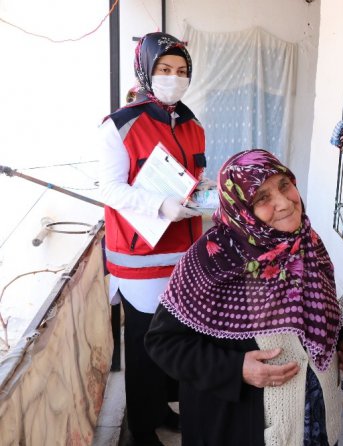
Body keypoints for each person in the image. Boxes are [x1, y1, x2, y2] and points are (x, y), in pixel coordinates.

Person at [145, 149, 343, 445]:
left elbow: (311, 315)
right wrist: (235, 370)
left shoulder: (308, 245)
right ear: (241, 208)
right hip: (242, 427)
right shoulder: (210, 258)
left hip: (315, 420)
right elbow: (163, 342)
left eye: (284, 185)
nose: (283, 203)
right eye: (261, 198)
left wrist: (342, 337)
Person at [98, 32, 206, 446]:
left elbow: (192, 177)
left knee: (172, 342)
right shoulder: (120, 125)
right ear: (146, 70)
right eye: (165, 70)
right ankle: (141, 429)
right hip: (141, 257)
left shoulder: (191, 123)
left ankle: (162, 408)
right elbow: (109, 189)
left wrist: (205, 189)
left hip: (184, 254)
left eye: (181, 71)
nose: (173, 78)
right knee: (144, 347)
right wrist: (160, 205)